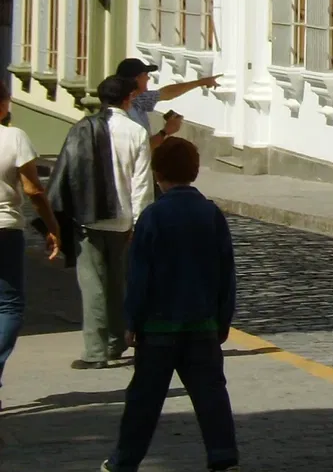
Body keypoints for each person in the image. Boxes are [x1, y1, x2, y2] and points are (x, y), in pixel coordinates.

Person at [102, 137, 237, 472]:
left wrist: (132, 320)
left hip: (159, 326)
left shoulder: (153, 216)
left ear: (157, 172)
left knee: (144, 401)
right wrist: (222, 319)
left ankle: (123, 462)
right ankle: (223, 458)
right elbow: (226, 272)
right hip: (202, 323)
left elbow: (140, 275)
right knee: (211, 397)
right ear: (193, 171)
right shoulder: (211, 214)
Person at [49, 75, 152, 369]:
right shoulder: (136, 132)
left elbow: (66, 173)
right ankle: (116, 341)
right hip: (123, 219)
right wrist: (139, 221)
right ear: (128, 98)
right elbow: (141, 182)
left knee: (93, 283)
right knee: (118, 282)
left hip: (89, 217)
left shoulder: (81, 128)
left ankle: (95, 350)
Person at [1, 75, 62, 407]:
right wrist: (52, 226)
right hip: (5, 228)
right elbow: (34, 189)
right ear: (3, 105)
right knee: (8, 304)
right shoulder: (14, 137)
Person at [115, 58, 219, 149]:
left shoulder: (138, 98)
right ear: (136, 79)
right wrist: (166, 131)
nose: (148, 78)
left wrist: (200, 82)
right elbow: (144, 149)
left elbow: (166, 93)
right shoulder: (125, 110)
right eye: (145, 74)